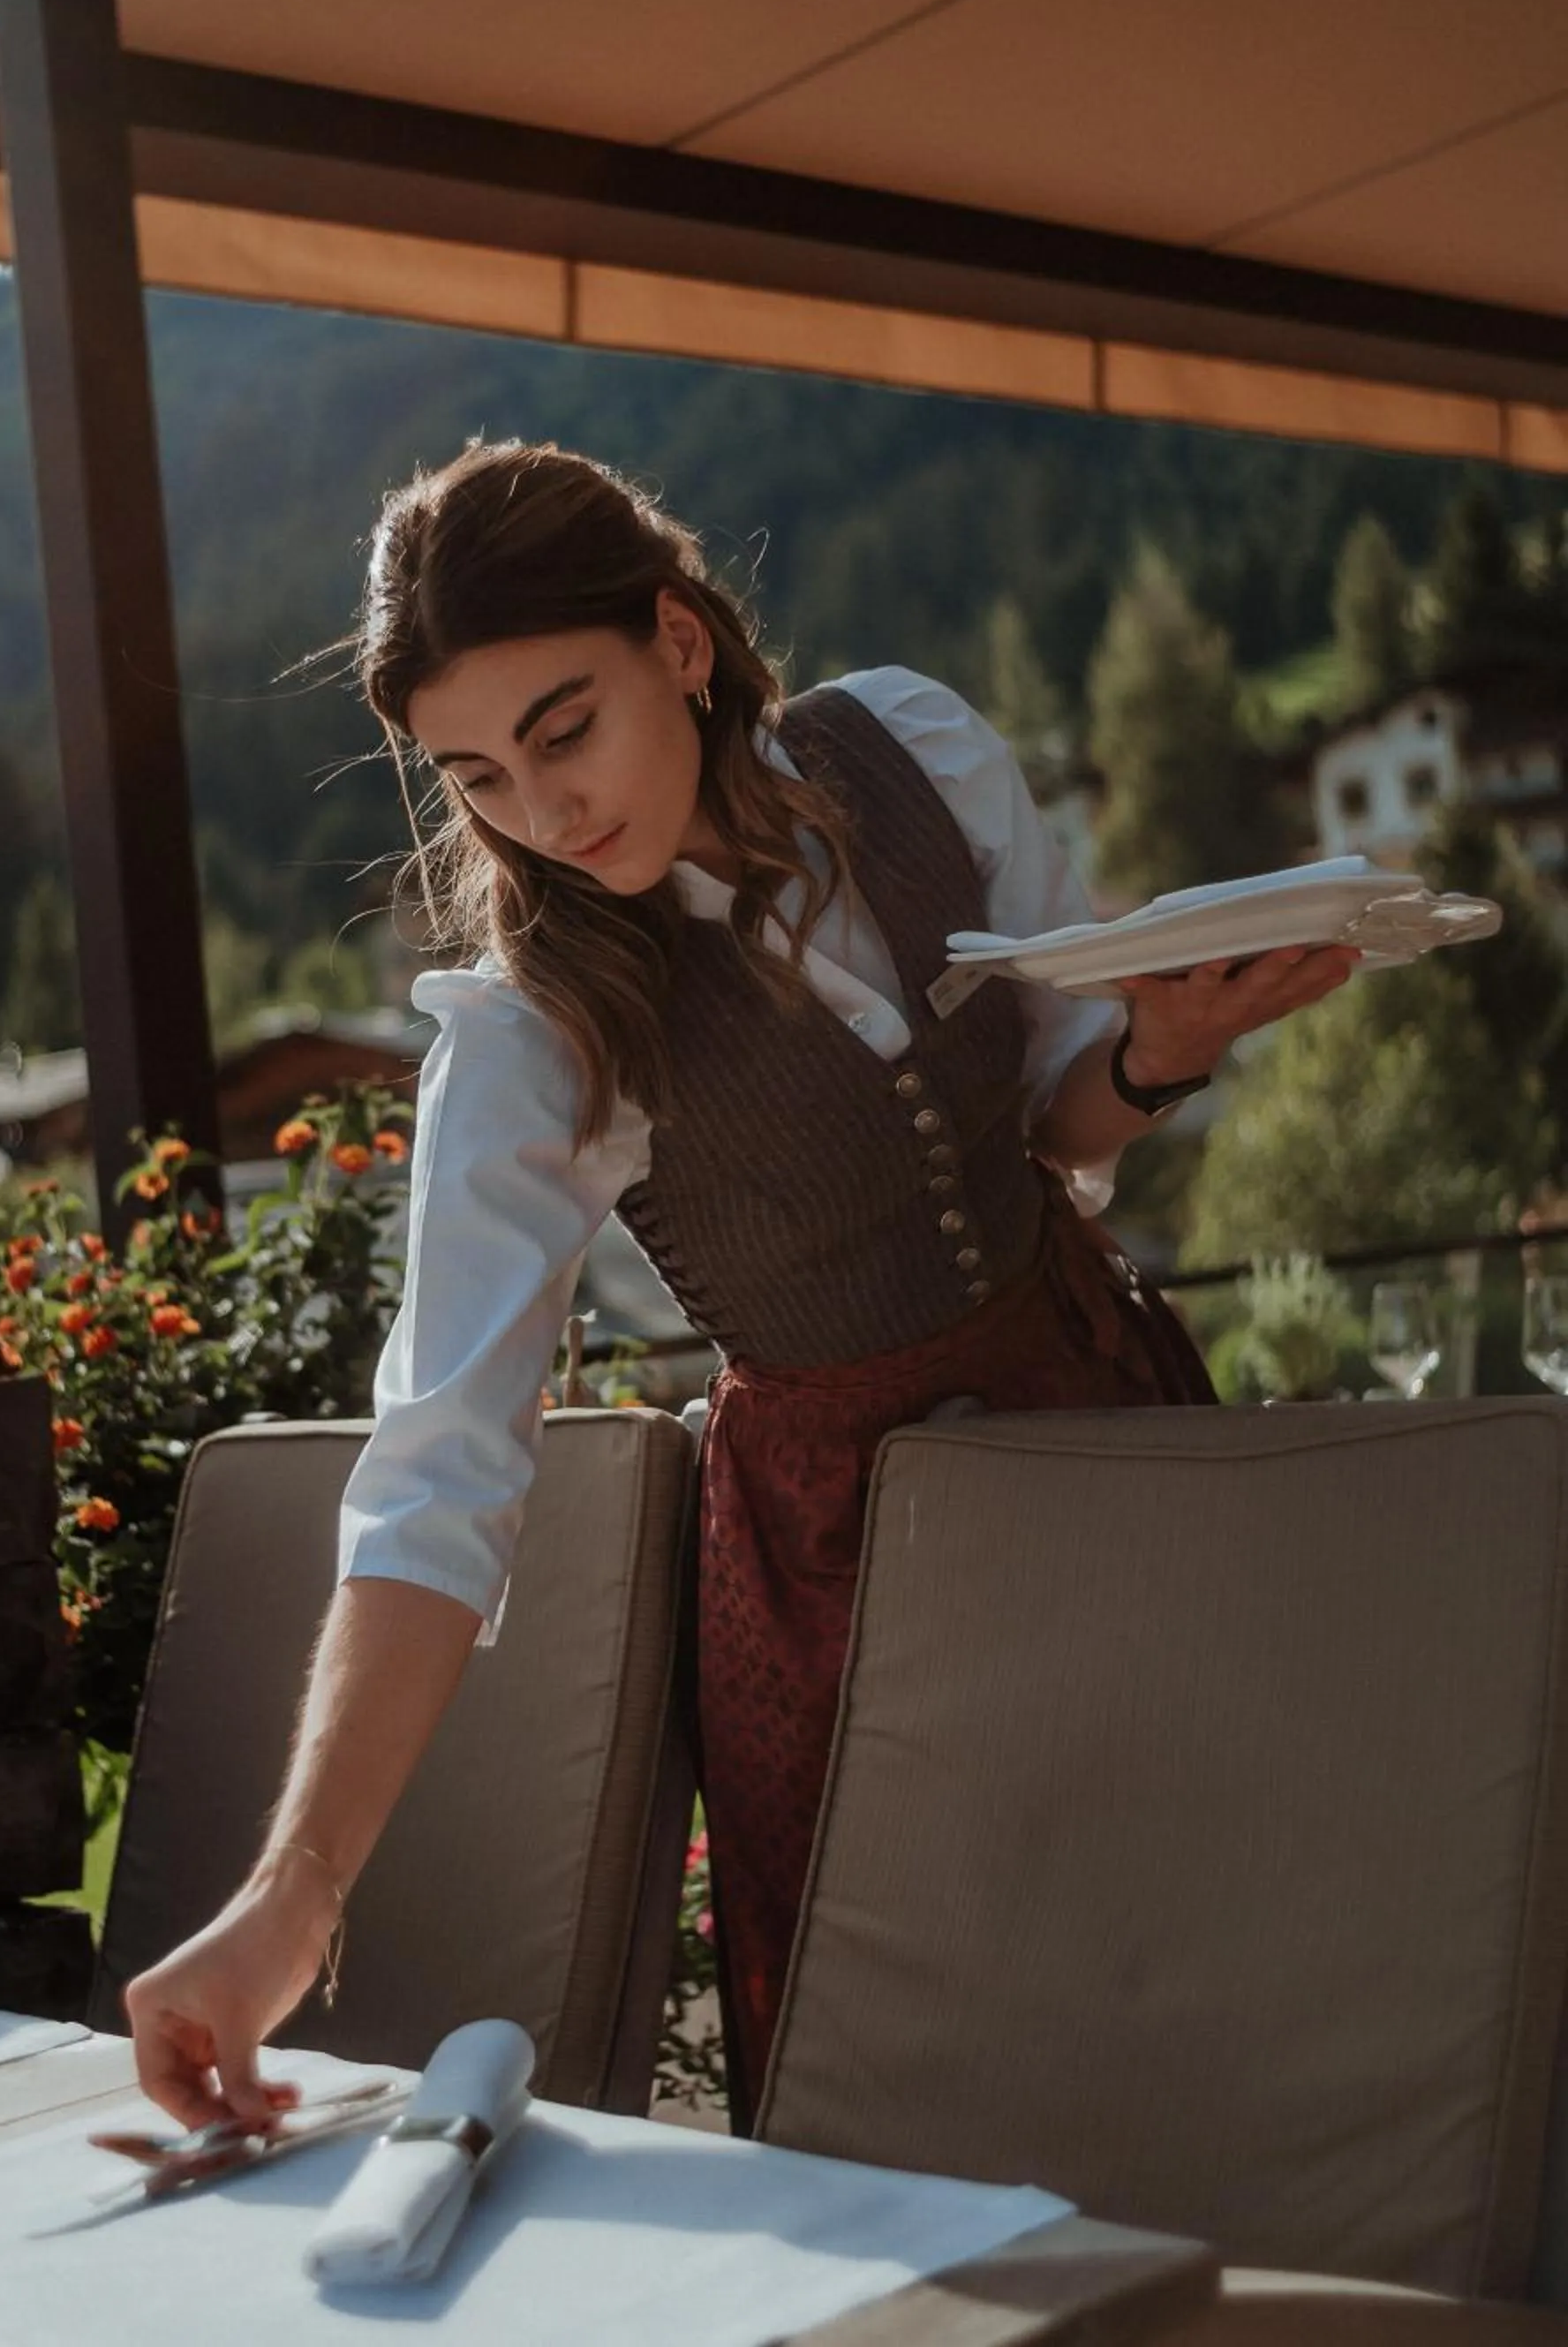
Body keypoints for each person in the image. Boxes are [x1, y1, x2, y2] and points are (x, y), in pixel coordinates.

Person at [124, 438, 1356, 2132]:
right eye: (475, 775)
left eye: (564, 728)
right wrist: (292, 1897)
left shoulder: (911, 748)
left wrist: (1156, 1050)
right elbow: (436, 1482)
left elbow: (1059, 1118)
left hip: (1108, 1446)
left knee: (1220, 2000)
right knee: (929, 2077)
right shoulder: (528, 1036)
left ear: (680, 643)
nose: (543, 815)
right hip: (838, 1576)